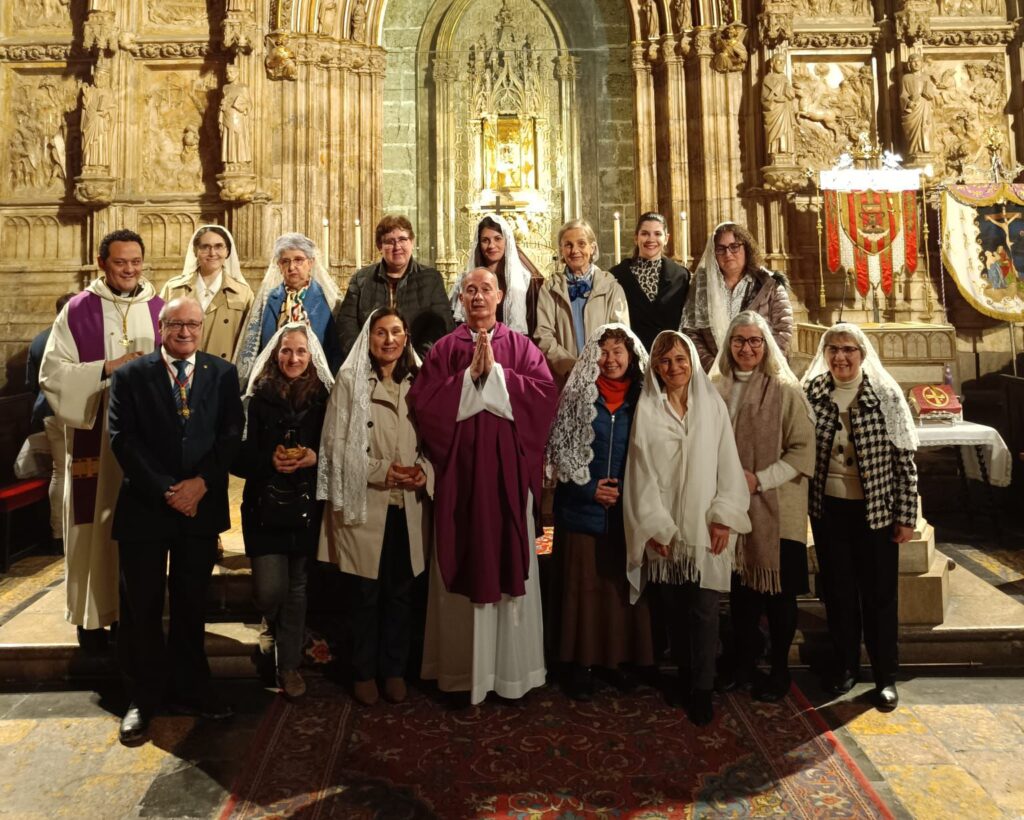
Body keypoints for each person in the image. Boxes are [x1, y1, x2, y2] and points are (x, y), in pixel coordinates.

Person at [409, 268, 558, 704]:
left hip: (509, 481)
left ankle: (513, 673)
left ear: (500, 296)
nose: (478, 297)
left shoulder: (520, 347)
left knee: (511, 567)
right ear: (460, 298)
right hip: (461, 482)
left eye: (485, 290)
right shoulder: (443, 349)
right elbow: (424, 405)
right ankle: (461, 673)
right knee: (463, 562)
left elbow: (544, 398)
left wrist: (495, 378)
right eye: (470, 290)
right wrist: (467, 379)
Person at [108, 297, 244, 744]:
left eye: (192, 324)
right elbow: (122, 439)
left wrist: (201, 484)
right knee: (142, 607)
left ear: (201, 328)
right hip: (147, 507)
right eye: (176, 324)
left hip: (199, 508)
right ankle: (142, 697)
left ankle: (192, 686)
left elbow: (230, 435)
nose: (185, 332)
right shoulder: (132, 374)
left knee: (191, 603)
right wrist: (168, 488)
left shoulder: (221, 373)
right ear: (161, 327)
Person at [39, 230, 164, 651]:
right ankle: (92, 618)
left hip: (144, 443)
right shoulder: (78, 310)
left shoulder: (161, 308)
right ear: (102, 263)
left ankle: (134, 617)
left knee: (138, 531)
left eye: (135, 261)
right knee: (93, 526)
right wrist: (108, 368)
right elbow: (52, 374)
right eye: (120, 263)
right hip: (94, 439)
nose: (129, 270)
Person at [624, 330, 750, 727]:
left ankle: (703, 688)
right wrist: (655, 526)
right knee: (674, 611)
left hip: (705, 525)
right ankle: (682, 677)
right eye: (665, 362)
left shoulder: (711, 406)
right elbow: (639, 474)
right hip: (667, 531)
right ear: (656, 369)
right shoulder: (647, 409)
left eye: (680, 360)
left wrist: (724, 516)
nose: (674, 368)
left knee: (705, 611)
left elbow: (727, 463)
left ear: (691, 361)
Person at [318, 308, 432, 706]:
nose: (389, 340)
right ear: (369, 338)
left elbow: (437, 439)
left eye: (396, 332)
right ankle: (364, 670)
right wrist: (383, 471)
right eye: (381, 332)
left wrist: (424, 472)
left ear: (406, 338)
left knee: (401, 593)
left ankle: (394, 669)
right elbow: (334, 445)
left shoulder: (421, 380)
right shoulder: (351, 381)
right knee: (365, 594)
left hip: (408, 504)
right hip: (366, 502)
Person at [802, 323, 918, 712]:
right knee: (838, 593)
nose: (840, 357)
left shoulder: (884, 395)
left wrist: (906, 516)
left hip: (876, 513)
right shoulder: (813, 392)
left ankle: (886, 676)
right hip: (829, 511)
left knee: (880, 595)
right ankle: (846, 666)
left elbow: (905, 462)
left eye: (848, 349)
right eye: (833, 349)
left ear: (862, 353)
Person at [545, 323, 653, 701]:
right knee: (582, 589)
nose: (610, 359)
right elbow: (560, 453)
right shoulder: (577, 397)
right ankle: (579, 664)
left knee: (617, 590)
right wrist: (590, 489)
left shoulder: (644, 398)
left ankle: (616, 662)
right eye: (603, 351)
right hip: (580, 509)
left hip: (626, 510)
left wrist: (625, 493)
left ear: (631, 355)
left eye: (618, 351)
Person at [712, 311, 814, 702]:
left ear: (766, 345)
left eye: (755, 341)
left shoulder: (786, 391)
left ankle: (780, 668)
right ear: (729, 345)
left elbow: (803, 451)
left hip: (777, 508)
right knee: (742, 595)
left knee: (779, 596)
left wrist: (759, 479)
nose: (747, 348)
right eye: (739, 340)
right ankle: (742, 662)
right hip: (733, 507)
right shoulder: (716, 387)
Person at [234, 322, 333, 700]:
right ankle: (270, 621)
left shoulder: (324, 398)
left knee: (297, 588)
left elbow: (336, 447)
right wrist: (268, 460)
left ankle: (288, 666)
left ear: (312, 358)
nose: (293, 358)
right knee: (269, 588)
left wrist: (314, 457)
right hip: (266, 504)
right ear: (276, 355)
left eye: (301, 352)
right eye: (287, 351)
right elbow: (237, 455)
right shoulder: (257, 398)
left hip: (305, 505)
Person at [680, 222, 793, 372]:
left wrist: (756, 367)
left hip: (762, 373)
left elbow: (783, 330)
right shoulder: (701, 288)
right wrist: (715, 368)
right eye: (720, 249)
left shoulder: (769, 285)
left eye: (734, 247)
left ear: (746, 248)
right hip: (715, 376)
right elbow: (691, 332)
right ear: (713, 253)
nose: (728, 254)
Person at [235, 232, 343, 386]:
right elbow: (260, 347)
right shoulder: (269, 300)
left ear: (311, 263)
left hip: (316, 384)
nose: (292, 267)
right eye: (285, 261)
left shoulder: (329, 300)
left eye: (299, 260)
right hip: (275, 382)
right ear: (279, 265)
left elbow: (335, 350)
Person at [337, 215, 452, 360]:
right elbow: (346, 326)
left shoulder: (431, 279)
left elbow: (440, 326)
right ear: (380, 246)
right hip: (369, 364)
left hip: (418, 367)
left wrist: (416, 363)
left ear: (412, 242)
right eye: (390, 242)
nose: (397, 247)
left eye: (403, 239)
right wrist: (365, 360)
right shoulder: (361, 279)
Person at [534, 219, 630, 387]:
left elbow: (620, 335)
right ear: (561, 250)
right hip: (565, 378)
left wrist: (599, 364)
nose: (575, 250)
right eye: (568, 245)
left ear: (592, 248)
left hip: (604, 375)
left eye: (581, 244)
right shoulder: (550, 289)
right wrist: (571, 366)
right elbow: (544, 335)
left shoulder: (611, 287)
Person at [160, 225, 254, 362]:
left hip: (221, 371)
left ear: (227, 251)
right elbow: (159, 332)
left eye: (219, 246)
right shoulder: (173, 288)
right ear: (195, 251)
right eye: (205, 247)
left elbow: (249, 341)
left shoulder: (243, 293)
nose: (212, 253)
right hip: (180, 370)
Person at [26, 293, 75, 552]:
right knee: (72, 471)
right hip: (71, 409)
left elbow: (32, 383)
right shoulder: (73, 336)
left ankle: (58, 533)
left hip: (47, 409)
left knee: (60, 471)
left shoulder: (39, 338)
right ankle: (69, 533)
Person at [450, 214, 545, 336]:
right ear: (478, 244)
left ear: (507, 241)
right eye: (485, 240)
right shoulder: (465, 279)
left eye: (498, 239)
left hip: (512, 348)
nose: (491, 246)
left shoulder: (524, 281)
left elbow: (532, 324)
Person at [609, 212, 690, 351]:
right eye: (645, 233)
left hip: (669, 354)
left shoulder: (681, 276)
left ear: (666, 238)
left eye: (657, 234)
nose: (651, 239)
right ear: (636, 238)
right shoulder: (617, 275)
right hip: (632, 354)